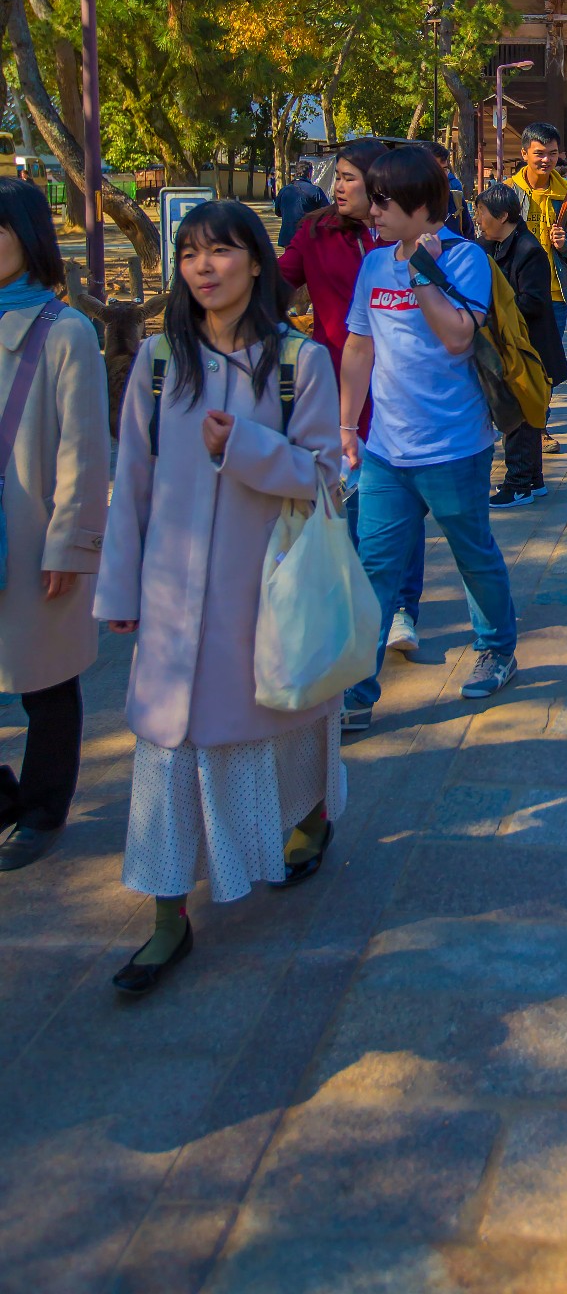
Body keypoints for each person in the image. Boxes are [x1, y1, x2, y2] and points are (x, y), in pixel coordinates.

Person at [96, 201, 344, 993]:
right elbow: (130, 476)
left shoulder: (299, 361)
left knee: (286, 724)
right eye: (190, 253)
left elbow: (325, 475)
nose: (204, 267)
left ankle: (308, 820)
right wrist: (120, 585)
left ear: (257, 262)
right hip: (172, 603)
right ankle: (168, 916)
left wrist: (244, 448)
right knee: (168, 751)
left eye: (221, 252)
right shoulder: (162, 359)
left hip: (263, 593)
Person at [340, 143, 518, 730]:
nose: (373, 210)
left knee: (473, 557)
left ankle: (496, 648)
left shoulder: (465, 260)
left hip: (455, 447)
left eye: (384, 200)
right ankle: (355, 693)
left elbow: (458, 337)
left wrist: (420, 272)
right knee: (375, 571)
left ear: (420, 204)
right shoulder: (372, 263)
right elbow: (359, 347)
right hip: (387, 452)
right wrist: (348, 425)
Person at [277, 138, 425, 659]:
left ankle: (402, 607)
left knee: (400, 500)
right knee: (346, 501)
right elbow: (276, 286)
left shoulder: (407, 237)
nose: (337, 186)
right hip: (336, 388)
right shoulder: (314, 233)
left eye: (349, 178)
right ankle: (351, 605)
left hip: (401, 390)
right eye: (335, 176)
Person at [0, 182, 108, 872]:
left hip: (33, 534)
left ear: (28, 237)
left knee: (45, 683)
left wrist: (70, 542)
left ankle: (43, 808)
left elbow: (85, 450)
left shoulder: (63, 330)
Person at [473, 180, 567, 506]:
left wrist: (492, 310)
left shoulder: (529, 252)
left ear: (502, 216)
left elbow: (534, 302)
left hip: (529, 348)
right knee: (524, 415)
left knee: (518, 416)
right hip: (510, 345)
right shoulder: (490, 247)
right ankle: (534, 480)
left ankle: (518, 485)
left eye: (482, 212)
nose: (478, 219)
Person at [508, 122, 567, 456]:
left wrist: (566, 242)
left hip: (554, 292)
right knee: (514, 360)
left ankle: (539, 427)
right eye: (539, 154)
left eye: (553, 154)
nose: (546, 160)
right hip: (513, 291)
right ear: (525, 153)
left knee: (543, 364)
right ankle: (514, 427)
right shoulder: (507, 193)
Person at [274, 160, 328, 249]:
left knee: (290, 261)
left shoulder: (284, 191)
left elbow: (278, 212)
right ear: (309, 174)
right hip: (308, 237)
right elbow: (326, 212)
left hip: (288, 237)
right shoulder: (315, 190)